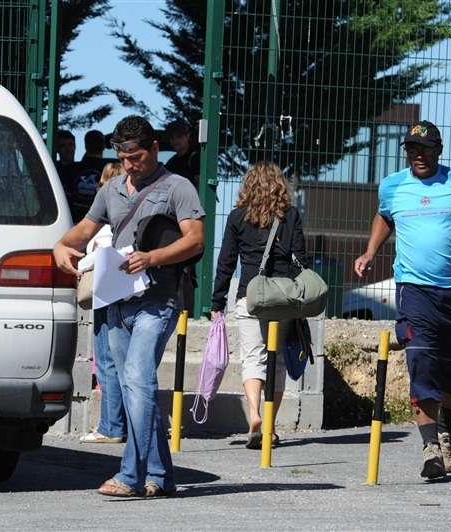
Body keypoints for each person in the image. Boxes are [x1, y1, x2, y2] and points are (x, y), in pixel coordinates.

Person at [53, 115, 204, 497]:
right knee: (136, 387)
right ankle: (163, 475)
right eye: (122, 157)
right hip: (116, 300)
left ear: (155, 148)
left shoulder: (179, 187)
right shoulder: (112, 189)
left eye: (135, 156)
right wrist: (61, 246)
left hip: (160, 300)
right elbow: (84, 230)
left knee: (138, 381)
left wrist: (152, 258)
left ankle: (131, 476)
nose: (129, 165)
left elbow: (196, 241)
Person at [354, 120, 451, 480]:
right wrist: (370, 251)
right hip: (413, 289)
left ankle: (445, 427)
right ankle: (430, 446)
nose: (418, 155)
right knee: (421, 362)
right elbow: (385, 216)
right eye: (412, 149)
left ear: (439, 150)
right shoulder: (393, 186)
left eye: (426, 148)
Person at [210, 161, 308, 450]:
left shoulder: (238, 216)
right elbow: (301, 258)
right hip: (283, 298)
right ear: (280, 184)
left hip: (249, 296)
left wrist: (217, 301)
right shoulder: (290, 215)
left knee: (253, 357)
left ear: (248, 184)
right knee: (276, 363)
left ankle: (253, 414)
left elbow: (226, 262)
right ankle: (269, 425)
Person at [79, 162, 128, 444]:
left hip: (105, 293)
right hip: (119, 291)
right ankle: (116, 423)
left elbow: (101, 252)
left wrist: (78, 265)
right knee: (115, 360)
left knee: (107, 360)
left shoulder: (107, 220)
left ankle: (111, 426)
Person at [60, 130, 118, 223]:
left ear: (85, 146)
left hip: (75, 222)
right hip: (102, 223)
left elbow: (65, 199)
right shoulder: (113, 169)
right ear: (103, 146)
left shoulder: (70, 169)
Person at [164, 119, 200, 188]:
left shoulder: (195, 158)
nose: (175, 141)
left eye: (179, 137)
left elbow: (200, 185)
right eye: (172, 137)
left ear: (187, 136)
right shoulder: (171, 162)